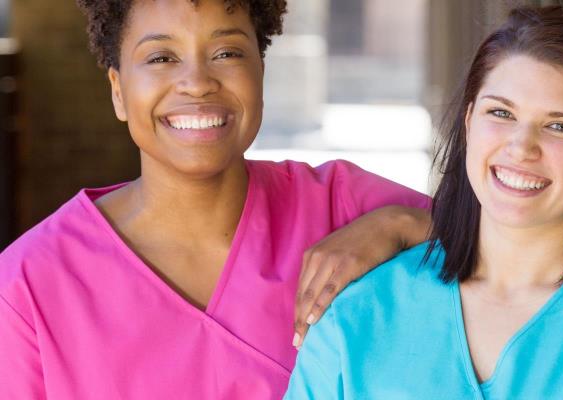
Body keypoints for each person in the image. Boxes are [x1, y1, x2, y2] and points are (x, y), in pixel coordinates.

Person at [0, 0, 431, 399]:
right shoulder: (30, 283)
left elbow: (491, 243)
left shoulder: (345, 208)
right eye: (162, 58)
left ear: (260, 71)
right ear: (118, 91)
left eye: (227, 52)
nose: (197, 83)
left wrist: (403, 227)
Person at [285, 5, 563, 399]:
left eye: (560, 126)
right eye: (500, 112)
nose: (521, 147)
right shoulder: (359, 314)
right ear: (468, 124)